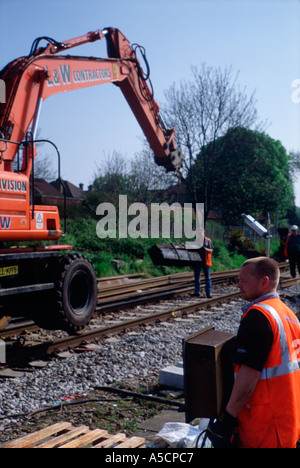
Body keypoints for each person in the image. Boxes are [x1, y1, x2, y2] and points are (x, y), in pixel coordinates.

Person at [207, 257, 300, 448]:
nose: (238, 285)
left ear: (264, 282)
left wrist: (228, 419)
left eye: (244, 281)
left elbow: (248, 376)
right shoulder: (288, 314)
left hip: (264, 425)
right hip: (287, 421)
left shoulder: (259, 316)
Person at [192, 234, 213, 298]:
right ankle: (197, 292)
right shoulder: (195, 241)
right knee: (197, 277)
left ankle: (208, 293)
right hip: (198, 261)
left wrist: (205, 249)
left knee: (208, 278)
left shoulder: (208, 241)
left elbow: (211, 250)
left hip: (206, 262)